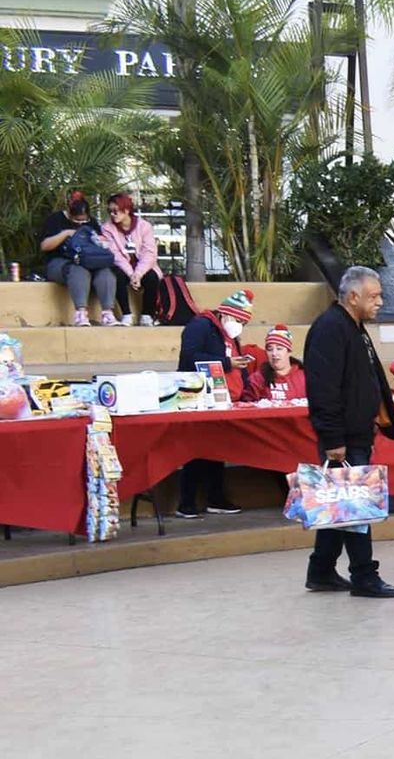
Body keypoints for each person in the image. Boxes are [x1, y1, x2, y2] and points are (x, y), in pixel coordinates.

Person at [303, 265, 394, 598]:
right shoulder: (330, 329)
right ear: (353, 296)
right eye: (374, 296)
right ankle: (364, 575)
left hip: (357, 433)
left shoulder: (354, 327)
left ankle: (321, 570)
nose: (380, 302)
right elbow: (323, 388)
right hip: (343, 437)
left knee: (340, 503)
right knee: (356, 506)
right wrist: (333, 439)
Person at [175, 288, 256, 518]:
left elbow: (235, 365)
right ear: (226, 314)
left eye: (243, 321)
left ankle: (216, 498)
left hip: (221, 398)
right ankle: (186, 501)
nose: (239, 325)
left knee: (216, 448)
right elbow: (189, 357)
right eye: (238, 319)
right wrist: (227, 362)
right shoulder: (200, 326)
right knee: (195, 450)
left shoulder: (230, 335)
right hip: (195, 396)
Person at [39, 191, 118, 328]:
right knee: (78, 271)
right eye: (77, 221)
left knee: (105, 272)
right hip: (61, 262)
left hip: (88, 260)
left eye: (84, 221)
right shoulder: (55, 219)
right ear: (70, 214)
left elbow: (99, 244)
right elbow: (45, 246)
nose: (81, 223)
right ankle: (81, 313)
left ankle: (107, 312)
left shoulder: (91, 222)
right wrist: (66, 233)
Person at [102, 193, 162, 326]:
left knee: (152, 277)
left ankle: (147, 315)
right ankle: (126, 314)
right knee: (117, 276)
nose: (112, 214)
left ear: (126, 210)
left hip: (143, 266)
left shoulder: (144, 226)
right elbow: (115, 255)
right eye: (110, 211)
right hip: (122, 266)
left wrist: (138, 274)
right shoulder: (107, 228)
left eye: (115, 211)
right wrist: (131, 274)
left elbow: (149, 253)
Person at [243, 324, 306, 402]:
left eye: (279, 349)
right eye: (270, 349)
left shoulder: (304, 376)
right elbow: (246, 405)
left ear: (289, 352)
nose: (274, 353)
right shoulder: (257, 378)